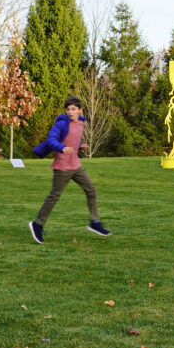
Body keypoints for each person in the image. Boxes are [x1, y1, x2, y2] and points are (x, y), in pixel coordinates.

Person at [28, 96, 111, 243]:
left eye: (73, 109)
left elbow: (71, 138)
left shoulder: (80, 123)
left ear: (80, 110)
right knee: (54, 196)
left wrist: (80, 144)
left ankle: (94, 222)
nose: (70, 112)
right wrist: (61, 147)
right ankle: (37, 224)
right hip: (62, 167)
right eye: (68, 109)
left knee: (91, 190)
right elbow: (52, 139)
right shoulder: (61, 124)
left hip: (76, 166)